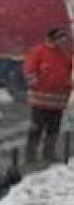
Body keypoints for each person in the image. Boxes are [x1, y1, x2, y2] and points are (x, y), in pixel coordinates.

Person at [23, 27, 73, 164]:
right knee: (36, 128)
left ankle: (49, 153)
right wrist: (37, 84)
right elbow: (29, 71)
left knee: (53, 129)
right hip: (40, 100)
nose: (63, 42)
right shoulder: (38, 52)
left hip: (58, 102)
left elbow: (69, 72)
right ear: (52, 39)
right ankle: (31, 155)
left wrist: (67, 84)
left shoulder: (63, 55)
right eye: (60, 39)